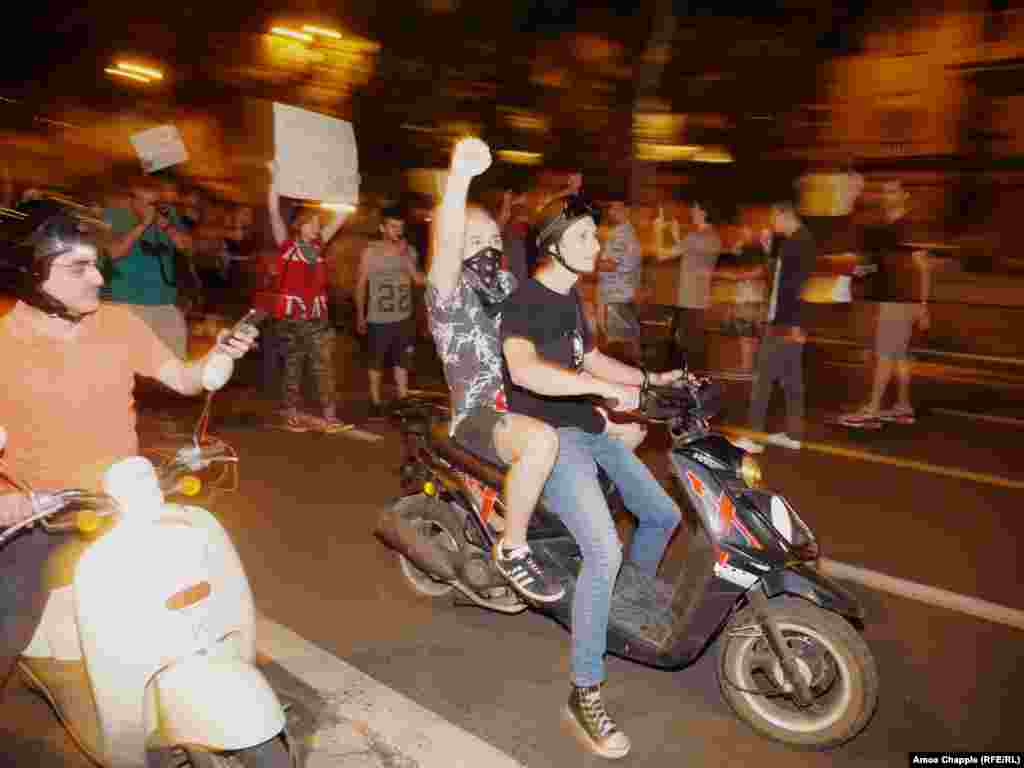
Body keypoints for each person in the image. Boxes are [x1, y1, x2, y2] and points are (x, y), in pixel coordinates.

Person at [0, 198, 258, 698]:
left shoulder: (118, 324)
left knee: (204, 587)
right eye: (77, 268)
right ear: (30, 274)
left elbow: (184, 379)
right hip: (44, 517)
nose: (97, 279)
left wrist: (215, 360)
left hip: (128, 505)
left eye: (96, 265)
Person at [501, 194, 683, 759]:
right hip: (553, 440)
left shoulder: (571, 298)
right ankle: (585, 689)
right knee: (604, 549)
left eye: (596, 237)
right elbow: (524, 368)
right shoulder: (525, 299)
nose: (597, 246)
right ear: (554, 245)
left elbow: (590, 358)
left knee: (662, 514)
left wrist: (652, 380)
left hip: (589, 428)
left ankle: (619, 610)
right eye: (585, 237)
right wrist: (600, 391)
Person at [425, 137, 564, 604]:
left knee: (613, 432)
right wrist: (460, 177)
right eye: (474, 241)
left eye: (492, 240)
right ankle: (513, 548)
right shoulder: (449, 293)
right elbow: (445, 245)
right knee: (542, 442)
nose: (486, 249)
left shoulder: (507, 286)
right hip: (479, 415)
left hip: (523, 402)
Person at [839, 182, 934, 427]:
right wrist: (863, 270)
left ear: (905, 195)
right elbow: (885, 266)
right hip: (894, 299)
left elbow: (924, 266)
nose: (886, 196)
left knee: (884, 353)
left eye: (892, 191)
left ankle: (872, 409)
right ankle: (903, 406)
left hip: (900, 302)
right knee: (900, 355)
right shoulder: (890, 228)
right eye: (885, 191)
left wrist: (923, 305)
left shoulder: (908, 227)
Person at [265, 161, 350, 433]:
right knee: (293, 366)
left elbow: (339, 218)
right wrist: (275, 179)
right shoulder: (286, 245)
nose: (317, 226)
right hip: (291, 317)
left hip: (316, 317)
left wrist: (346, 189)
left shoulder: (319, 244)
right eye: (313, 222)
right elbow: (273, 211)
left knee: (324, 364)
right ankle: (291, 413)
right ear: (301, 225)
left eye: (317, 223)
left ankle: (330, 414)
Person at [733, 202, 818, 453]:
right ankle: (793, 434)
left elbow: (798, 288)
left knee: (763, 380)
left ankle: (754, 437)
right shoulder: (798, 241)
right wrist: (769, 250)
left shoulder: (799, 243)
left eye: (773, 218)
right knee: (791, 380)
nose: (772, 224)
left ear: (784, 214)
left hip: (784, 323)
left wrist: (795, 324)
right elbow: (780, 281)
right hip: (787, 321)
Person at [104, 177, 194, 358]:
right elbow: (113, 253)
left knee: (175, 359)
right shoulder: (113, 216)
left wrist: (167, 226)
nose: (151, 209)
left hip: (163, 301)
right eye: (146, 204)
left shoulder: (167, 215)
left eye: (155, 203)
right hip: (125, 301)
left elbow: (186, 246)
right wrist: (142, 225)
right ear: (132, 201)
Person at [355, 205, 424, 419]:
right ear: (382, 228)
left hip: (403, 316)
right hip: (378, 316)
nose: (398, 231)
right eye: (393, 226)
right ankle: (375, 401)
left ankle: (402, 400)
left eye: (400, 227)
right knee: (376, 361)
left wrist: (405, 257)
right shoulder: (371, 252)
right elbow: (360, 284)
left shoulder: (409, 251)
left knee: (402, 361)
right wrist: (360, 314)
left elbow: (419, 280)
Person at [653, 200, 722, 371]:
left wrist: (658, 228)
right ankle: (698, 383)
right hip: (701, 299)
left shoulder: (695, 237)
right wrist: (674, 232)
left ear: (704, 212)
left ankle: (690, 386)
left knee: (685, 348)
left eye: (695, 208)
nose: (691, 211)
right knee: (694, 347)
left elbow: (662, 254)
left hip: (689, 300)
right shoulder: (713, 236)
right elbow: (688, 254)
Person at [595, 195, 643, 363]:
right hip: (623, 295)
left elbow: (610, 265)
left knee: (618, 352)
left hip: (615, 296)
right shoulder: (627, 232)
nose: (612, 212)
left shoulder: (621, 235)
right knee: (627, 347)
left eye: (617, 208)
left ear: (627, 211)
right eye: (610, 208)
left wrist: (586, 261)